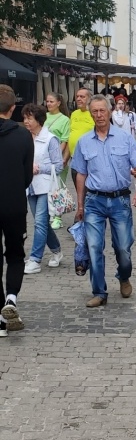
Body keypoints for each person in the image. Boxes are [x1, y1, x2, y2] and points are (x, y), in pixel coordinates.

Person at [71, 94, 136, 308]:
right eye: (94, 111)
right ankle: (99, 292)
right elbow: (81, 175)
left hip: (120, 200)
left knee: (123, 248)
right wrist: (80, 204)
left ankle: (123, 276)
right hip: (94, 201)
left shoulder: (124, 138)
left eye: (102, 110)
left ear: (110, 111)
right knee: (94, 246)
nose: (99, 115)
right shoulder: (85, 141)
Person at [0, 85, 34, 332]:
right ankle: (11, 297)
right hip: (13, 205)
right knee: (15, 255)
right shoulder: (23, 136)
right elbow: (26, 176)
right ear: (13, 108)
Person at [22, 104, 64, 275]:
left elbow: (59, 165)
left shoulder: (50, 139)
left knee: (39, 223)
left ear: (38, 120)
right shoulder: (25, 137)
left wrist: (39, 168)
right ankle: (57, 251)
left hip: (46, 186)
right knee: (42, 224)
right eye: (24, 118)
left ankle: (35, 259)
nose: (26, 121)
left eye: (29, 118)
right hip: (30, 186)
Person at [45, 92, 71, 229]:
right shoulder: (44, 116)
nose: (48, 104)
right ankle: (49, 212)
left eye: (51, 101)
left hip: (57, 158)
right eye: (47, 101)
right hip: (43, 157)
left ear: (58, 103)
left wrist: (58, 157)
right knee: (46, 186)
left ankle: (57, 216)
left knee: (57, 187)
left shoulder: (65, 119)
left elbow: (65, 140)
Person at [68, 88, 94, 186]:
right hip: (74, 158)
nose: (78, 99)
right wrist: (65, 159)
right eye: (77, 96)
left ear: (89, 99)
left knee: (88, 190)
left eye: (82, 97)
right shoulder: (74, 114)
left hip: (88, 159)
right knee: (78, 189)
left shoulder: (94, 114)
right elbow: (70, 136)